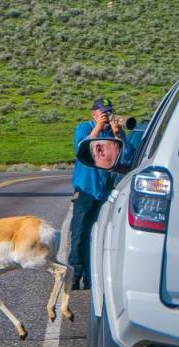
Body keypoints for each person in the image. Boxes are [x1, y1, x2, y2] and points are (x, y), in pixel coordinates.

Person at [69, 98, 124, 290]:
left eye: (109, 112)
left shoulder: (114, 133)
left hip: (105, 190)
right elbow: (80, 149)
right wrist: (98, 129)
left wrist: (119, 135)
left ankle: (92, 277)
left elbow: (127, 157)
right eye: (103, 113)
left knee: (100, 235)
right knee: (79, 233)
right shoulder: (84, 128)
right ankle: (75, 276)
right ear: (94, 113)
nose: (107, 116)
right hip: (86, 188)